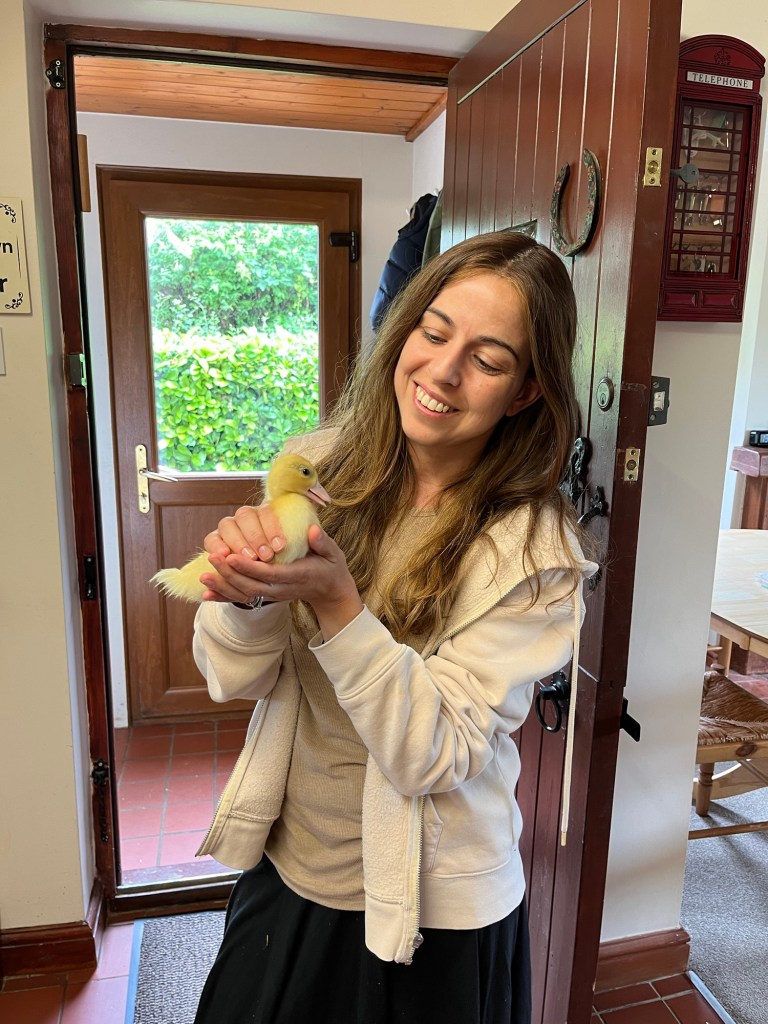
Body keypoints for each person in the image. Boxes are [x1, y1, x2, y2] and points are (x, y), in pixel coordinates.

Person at [190, 229, 597, 1024]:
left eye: (487, 360)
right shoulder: (320, 469)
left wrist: (340, 607)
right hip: (289, 866)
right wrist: (246, 599)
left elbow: (432, 753)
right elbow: (232, 677)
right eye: (434, 333)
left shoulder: (535, 554)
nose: (442, 372)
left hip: (433, 911)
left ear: (524, 392)